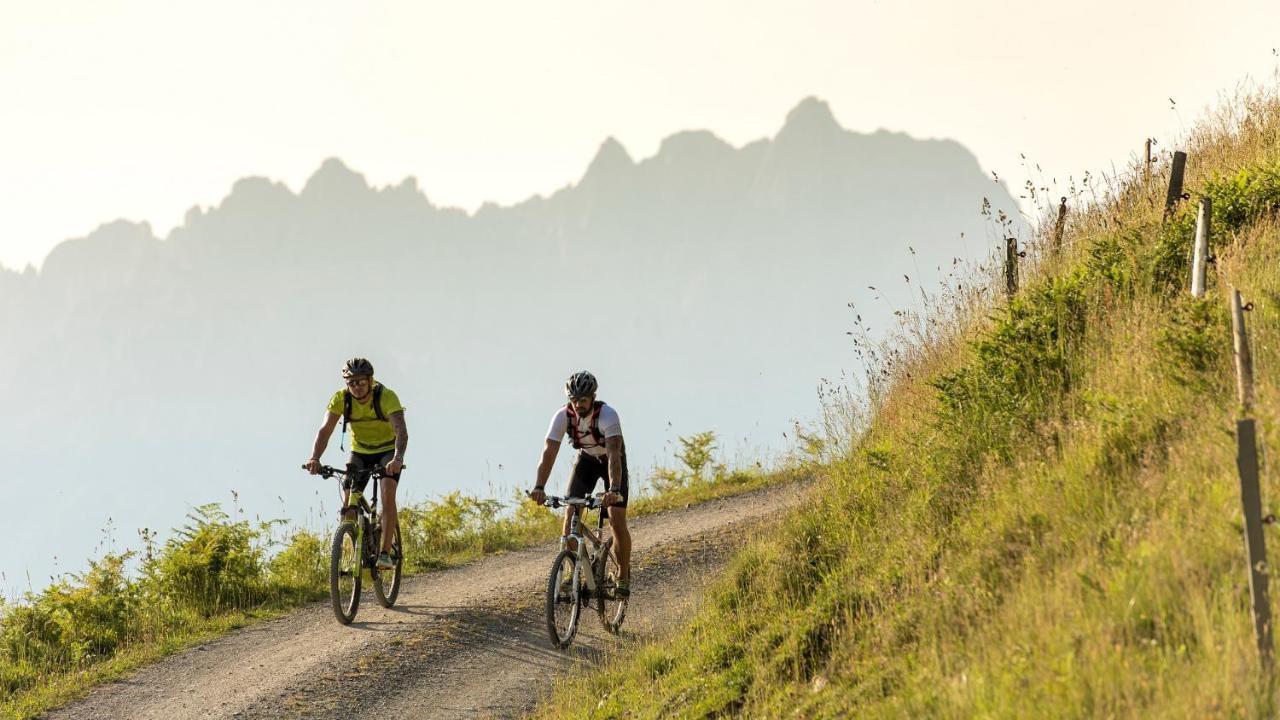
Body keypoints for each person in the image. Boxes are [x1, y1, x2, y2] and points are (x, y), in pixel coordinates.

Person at [529, 370, 631, 597]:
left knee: (616, 519)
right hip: (586, 461)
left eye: (583, 400)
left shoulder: (608, 416)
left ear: (593, 397)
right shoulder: (562, 416)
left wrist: (614, 489)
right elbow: (549, 452)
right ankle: (572, 573)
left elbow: (615, 454)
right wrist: (539, 487)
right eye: (573, 400)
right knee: (570, 512)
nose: (578, 405)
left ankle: (623, 576)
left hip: (611, 462)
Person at [304, 357, 408, 569]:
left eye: (361, 382)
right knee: (348, 501)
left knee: (388, 492)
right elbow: (325, 431)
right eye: (351, 383)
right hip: (360, 451)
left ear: (370, 381)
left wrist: (397, 459)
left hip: (387, 451)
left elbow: (401, 431)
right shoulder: (341, 399)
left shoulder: (386, 397)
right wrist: (315, 458)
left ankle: (386, 553)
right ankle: (357, 549)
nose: (356, 387)